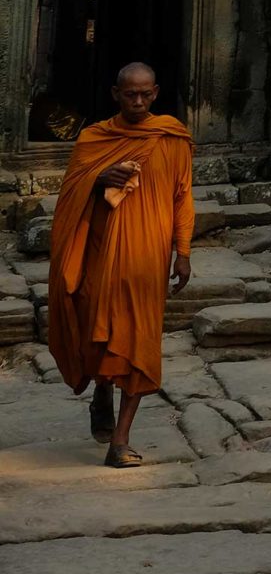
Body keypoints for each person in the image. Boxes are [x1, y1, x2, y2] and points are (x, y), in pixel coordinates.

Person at [46, 62, 193, 467]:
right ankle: (101, 390)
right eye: (131, 94)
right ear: (116, 94)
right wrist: (97, 179)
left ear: (157, 91)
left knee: (142, 343)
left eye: (146, 94)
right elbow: (70, 194)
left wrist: (183, 252)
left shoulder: (171, 137)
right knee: (99, 334)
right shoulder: (95, 138)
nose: (139, 101)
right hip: (103, 255)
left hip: (150, 257)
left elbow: (183, 196)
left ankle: (120, 442)